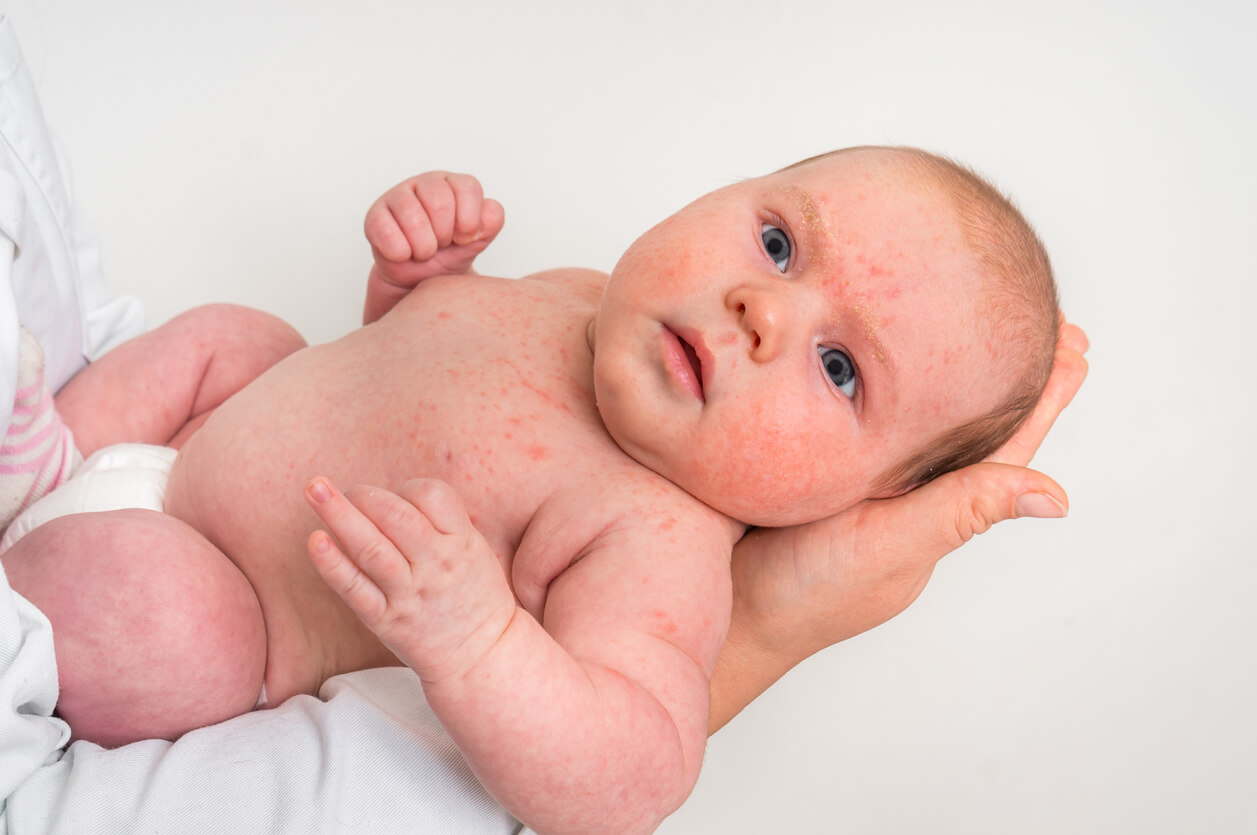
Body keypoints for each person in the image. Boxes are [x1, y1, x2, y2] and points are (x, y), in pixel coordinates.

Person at [4, 144, 1069, 832]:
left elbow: (634, 772)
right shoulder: (579, 297)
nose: (761, 307)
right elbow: (389, 369)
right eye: (781, 242)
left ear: (855, 500)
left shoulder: (656, 544)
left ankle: (34, 515)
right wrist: (422, 285)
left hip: (223, 602)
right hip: (183, 457)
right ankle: (49, 456)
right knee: (239, 338)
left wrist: (478, 642)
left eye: (839, 368)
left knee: (161, 615)